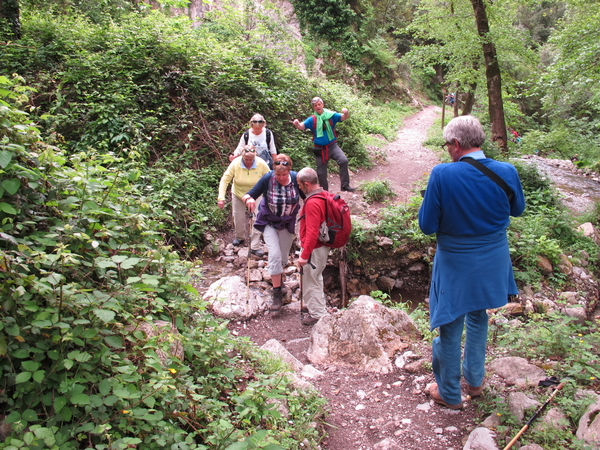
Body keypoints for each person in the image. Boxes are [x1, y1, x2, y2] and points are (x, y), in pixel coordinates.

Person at [418, 115, 526, 410]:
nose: (446, 150)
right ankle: (475, 382)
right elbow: (518, 210)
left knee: (450, 323)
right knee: (479, 316)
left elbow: (427, 226)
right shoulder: (507, 171)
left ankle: (449, 393)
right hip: (493, 258)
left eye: (447, 144)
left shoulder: (442, 174)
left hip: (455, 261)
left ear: (456, 143)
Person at [243, 154, 304, 314]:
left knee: (283, 258)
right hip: (269, 221)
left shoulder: (296, 178)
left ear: (289, 171)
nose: (282, 178)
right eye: (278, 174)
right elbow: (249, 194)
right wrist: (249, 200)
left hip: (287, 223)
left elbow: (309, 196)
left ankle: (280, 280)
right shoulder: (267, 178)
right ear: (274, 172)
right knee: (275, 255)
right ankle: (276, 293)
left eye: (284, 174)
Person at [292, 97, 356, 192]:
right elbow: (302, 126)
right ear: (313, 107)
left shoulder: (330, 115)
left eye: (319, 104)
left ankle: (345, 186)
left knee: (343, 160)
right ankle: (324, 192)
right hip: (320, 149)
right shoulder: (312, 119)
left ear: (322, 105)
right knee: (321, 173)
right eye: (315, 105)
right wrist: (297, 124)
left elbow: (343, 117)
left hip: (333, 145)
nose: (318, 106)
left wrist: (346, 113)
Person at [218, 145, 270, 255]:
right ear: (242, 156)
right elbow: (225, 179)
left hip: (256, 194)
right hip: (238, 193)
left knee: (257, 218)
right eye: (246, 159)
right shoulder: (235, 163)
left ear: (255, 157)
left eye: (251, 159)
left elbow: (270, 178)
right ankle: (240, 237)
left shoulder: (261, 163)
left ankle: (255, 246)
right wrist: (221, 198)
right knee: (238, 217)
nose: (248, 161)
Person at [296, 167, 330, 326]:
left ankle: (318, 315)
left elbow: (312, 232)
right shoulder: (323, 195)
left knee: (311, 280)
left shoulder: (313, 203)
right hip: (321, 247)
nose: (299, 187)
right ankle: (315, 307)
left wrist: (304, 255)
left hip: (314, 249)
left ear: (307, 184)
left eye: (300, 184)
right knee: (316, 278)